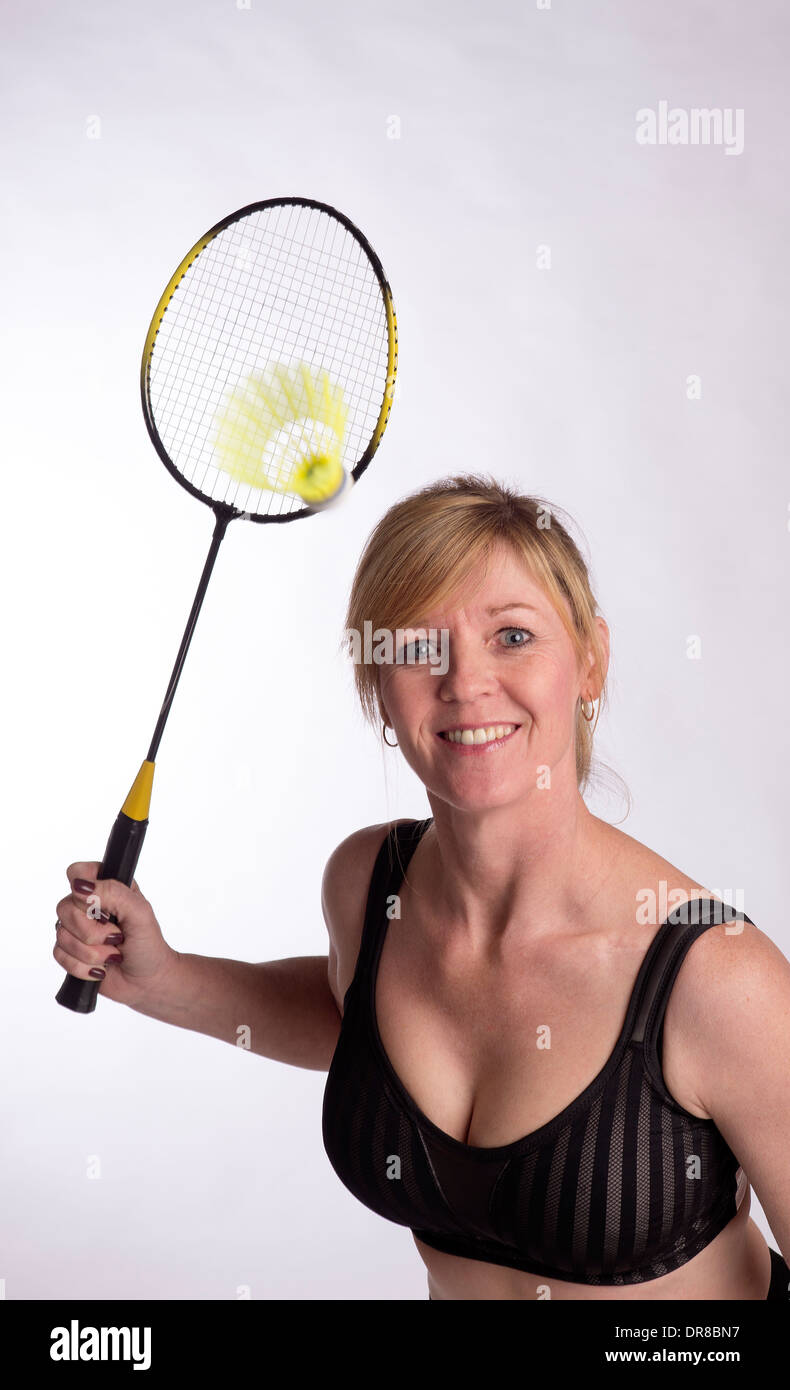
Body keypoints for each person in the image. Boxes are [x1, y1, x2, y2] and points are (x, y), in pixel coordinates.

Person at [54, 475, 790, 1301]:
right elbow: (356, 1019)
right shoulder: (369, 886)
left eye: (512, 636)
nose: (465, 683)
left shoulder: (717, 981)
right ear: (378, 691)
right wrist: (164, 979)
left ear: (590, 662)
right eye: (414, 647)